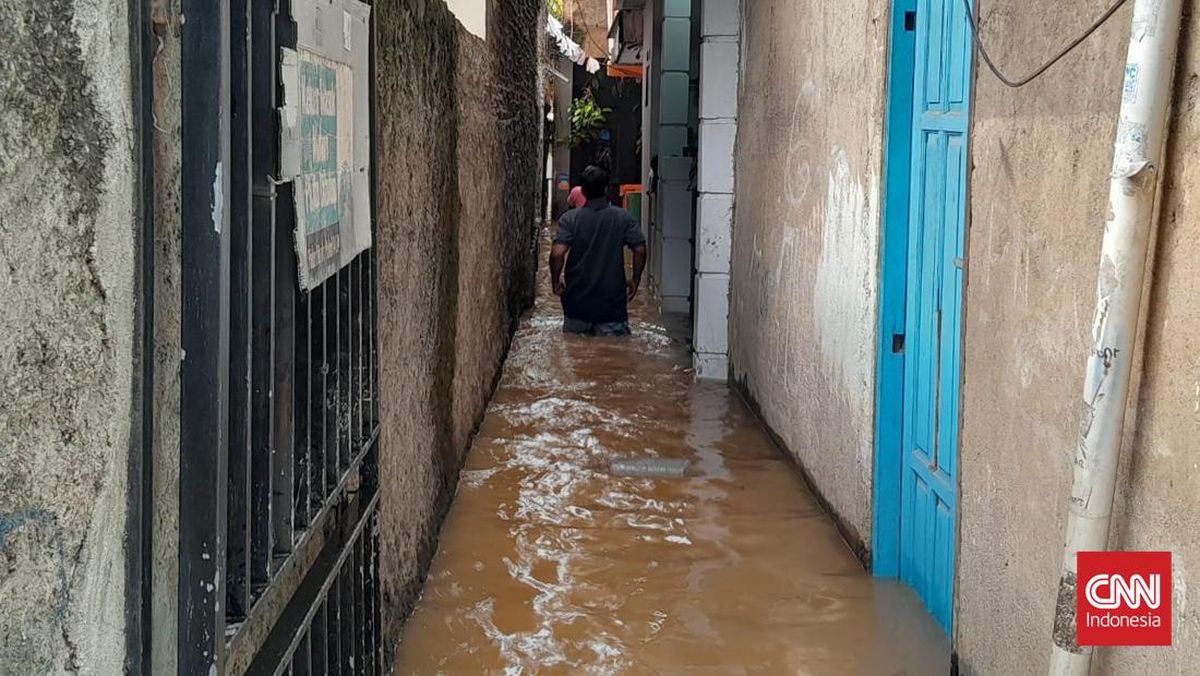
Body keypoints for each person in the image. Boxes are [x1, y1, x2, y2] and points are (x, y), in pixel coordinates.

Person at [550, 166, 647, 336]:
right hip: (611, 307)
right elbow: (639, 249)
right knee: (611, 358)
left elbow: (557, 253)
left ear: (583, 191)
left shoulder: (570, 219)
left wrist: (556, 281)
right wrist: (635, 280)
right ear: (606, 189)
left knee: (576, 356)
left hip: (576, 305)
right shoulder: (623, 218)